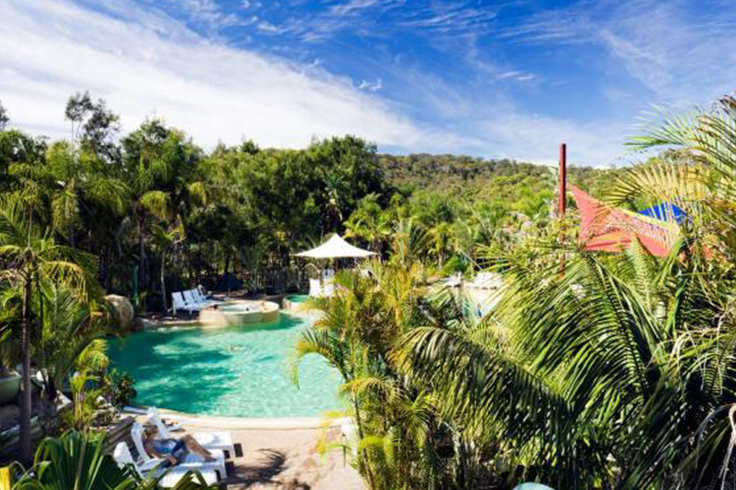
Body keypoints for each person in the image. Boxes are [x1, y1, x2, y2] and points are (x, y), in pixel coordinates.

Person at [142, 425, 216, 466]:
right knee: (190, 444)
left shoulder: (152, 440)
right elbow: (158, 456)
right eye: (156, 432)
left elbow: (162, 441)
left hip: (172, 449)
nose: (157, 433)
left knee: (187, 436)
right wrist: (168, 456)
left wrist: (171, 439)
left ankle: (203, 450)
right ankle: (206, 457)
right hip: (172, 455)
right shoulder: (148, 445)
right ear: (152, 434)